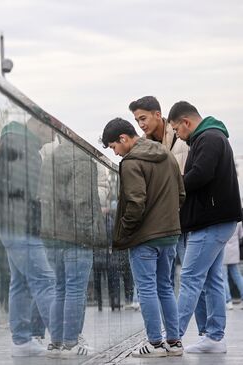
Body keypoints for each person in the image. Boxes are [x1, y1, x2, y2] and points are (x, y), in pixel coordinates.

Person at [101, 118, 185, 358]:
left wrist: (125, 232)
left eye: (114, 147)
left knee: (146, 289)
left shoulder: (131, 163)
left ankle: (155, 344)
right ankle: (174, 342)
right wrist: (166, 219)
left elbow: (136, 202)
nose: (115, 153)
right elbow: (181, 193)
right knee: (166, 287)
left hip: (145, 237)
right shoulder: (166, 155)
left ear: (124, 139)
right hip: (169, 234)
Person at [168, 101, 242, 353]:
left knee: (189, 278)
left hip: (210, 221)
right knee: (211, 280)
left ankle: (172, 339)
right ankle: (214, 338)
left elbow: (200, 174)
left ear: (186, 122)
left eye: (177, 129)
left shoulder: (207, 138)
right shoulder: (212, 135)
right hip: (217, 220)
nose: (177, 135)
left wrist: (171, 187)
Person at [0, 117, 56, 357]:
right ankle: (63, 340)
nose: (52, 140)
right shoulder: (23, 146)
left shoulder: (14, 143)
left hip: (11, 225)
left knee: (20, 282)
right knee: (45, 280)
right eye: (52, 133)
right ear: (41, 125)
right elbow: (28, 193)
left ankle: (21, 341)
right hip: (22, 227)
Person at [37, 135, 106, 358]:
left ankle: (56, 343)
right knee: (76, 289)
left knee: (60, 288)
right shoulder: (83, 159)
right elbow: (81, 200)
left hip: (53, 233)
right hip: (76, 235)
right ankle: (71, 343)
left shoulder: (51, 156)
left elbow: (43, 197)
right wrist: (87, 233)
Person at [129, 96, 189, 291]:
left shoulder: (181, 139)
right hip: (165, 225)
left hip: (185, 219)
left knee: (192, 277)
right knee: (165, 283)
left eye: (143, 118)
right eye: (137, 120)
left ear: (158, 115)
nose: (140, 124)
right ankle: (173, 322)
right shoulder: (146, 148)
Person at [223, 221, 243, 310]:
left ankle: (228, 301)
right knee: (238, 277)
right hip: (234, 251)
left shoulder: (222, 220)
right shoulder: (238, 221)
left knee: (224, 278)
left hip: (223, 252)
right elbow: (241, 236)